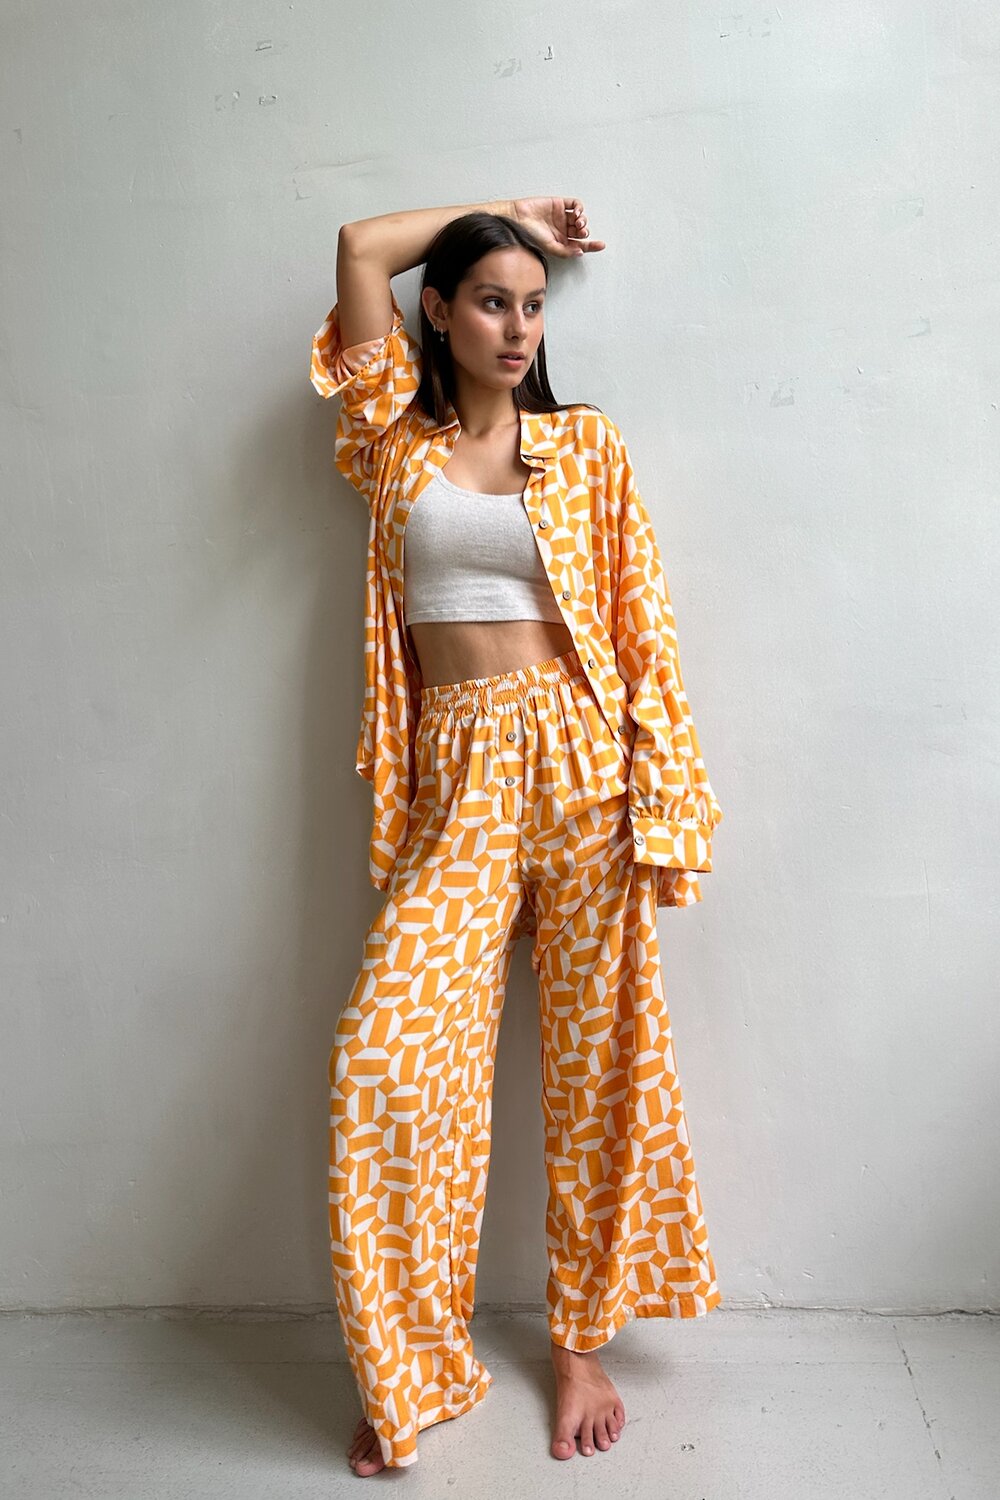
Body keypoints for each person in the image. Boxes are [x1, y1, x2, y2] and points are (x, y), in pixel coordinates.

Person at [309, 196, 725, 1475]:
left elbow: (643, 629)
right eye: (492, 300)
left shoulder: (585, 446)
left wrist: (665, 801)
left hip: (583, 763)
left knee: (602, 1067)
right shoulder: (391, 441)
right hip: (459, 780)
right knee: (384, 1060)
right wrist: (518, 207)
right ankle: (412, 1368)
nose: (517, 327)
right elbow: (360, 247)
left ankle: (580, 1342)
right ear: (438, 311)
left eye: (533, 305)